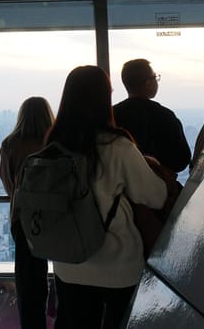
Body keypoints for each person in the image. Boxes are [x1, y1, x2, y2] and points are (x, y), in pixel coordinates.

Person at [50, 66, 167, 329]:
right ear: (103, 99)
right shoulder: (117, 146)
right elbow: (156, 196)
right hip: (117, 265)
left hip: (69, 265)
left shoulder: (54, 146)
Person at [0, 97, 54, 329]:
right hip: (57, 216)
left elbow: (6, 180)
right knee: (65, 274)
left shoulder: (11, 143)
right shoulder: (55, 142)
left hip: (23, 219)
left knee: (28, 279)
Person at [112, 59, 192, 173]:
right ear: (148, 83)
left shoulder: (112, 115)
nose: (156, 81)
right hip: (159, 185)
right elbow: (181, 160)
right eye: (155, 77)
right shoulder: (164, 116)